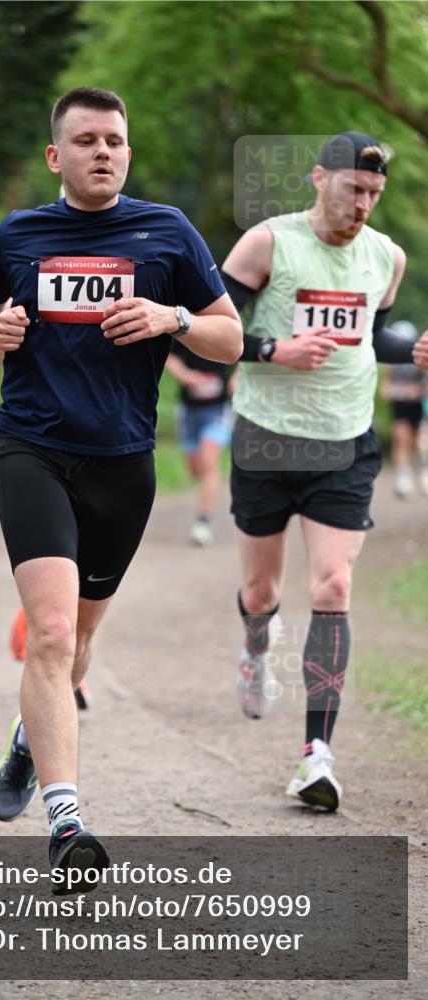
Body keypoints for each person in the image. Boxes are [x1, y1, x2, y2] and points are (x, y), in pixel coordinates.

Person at [0, 87, 242, 889]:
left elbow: (229, 337)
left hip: (123, 462)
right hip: (33, 449)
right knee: (48, 634)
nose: (102, 151)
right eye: (85, 140)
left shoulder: (168, 231)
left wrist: (172, 319)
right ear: (56, 156)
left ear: (127, 151)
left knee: (77, 643)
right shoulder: (19, 234)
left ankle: (27, 739)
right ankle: (66, 824)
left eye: (114, 139)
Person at [219, 131, 428, 811]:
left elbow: (372, 333)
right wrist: (272, 349)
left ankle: (317, 755)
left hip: (343, 442)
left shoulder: (386, 256)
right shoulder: (266, 244)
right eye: (352, 189)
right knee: (260, 591)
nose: (362, 205)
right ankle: (256, 645)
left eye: (374, 193)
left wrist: (411, 350)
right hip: (266, 438)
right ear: (318, 179)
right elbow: (207, 334)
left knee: (333, 585)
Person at [165, 341, 236, 545]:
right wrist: (186, 375)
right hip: (189, 411)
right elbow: (169, 356)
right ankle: (208, 484)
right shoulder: (185, 330)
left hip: (218, 410)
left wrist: (236, 379)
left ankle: (203, 521)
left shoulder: (225, 328)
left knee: (208, 462)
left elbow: (244, 351)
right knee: (195, 469)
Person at [380, 321, 428, 498]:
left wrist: (417, 391)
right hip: (400, 404)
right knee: (400, 438)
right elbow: (386, 385)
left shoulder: (420, 357)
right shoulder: (392, 363)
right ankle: (403, 477)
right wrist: (391, 391)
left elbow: (425, 383)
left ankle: (422, 472)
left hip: (418, 405)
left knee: (418, 441)